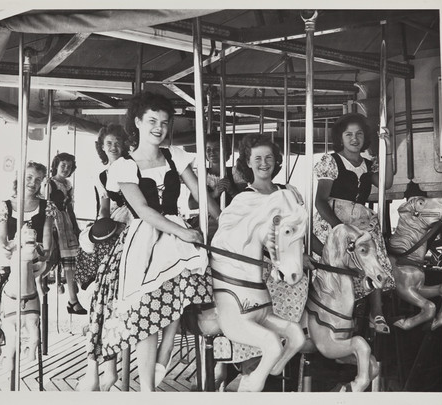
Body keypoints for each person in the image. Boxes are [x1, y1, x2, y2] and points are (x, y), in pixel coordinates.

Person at [83, 92, 221, 392]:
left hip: (176, 232)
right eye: (152, 121)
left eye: (164, 122)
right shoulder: (123, 165)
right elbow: (143, 210)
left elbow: (200, 193)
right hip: (144, 235)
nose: (159, 128)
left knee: (187, 284)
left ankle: (167, 350)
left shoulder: (177, 156)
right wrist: (181, 231)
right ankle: (146, 386)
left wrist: (222, 220)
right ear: (138, 122)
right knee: (147, 305)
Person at [210, 134, 319, 390]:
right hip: (258, 278)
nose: (264, 163)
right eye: (257, 158)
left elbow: (300, 231)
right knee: (261, 338)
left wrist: (308, 253)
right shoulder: (244, 199)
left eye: (269, 157)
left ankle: (281, 375)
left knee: (296, 332)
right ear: (247, 162)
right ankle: (248, 375)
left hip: (291, 274)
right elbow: (232, 239)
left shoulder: (288, 193)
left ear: (277, 160)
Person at [313, 112, 395, 334]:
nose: (354, 138)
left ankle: (376, 311)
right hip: (334, 219)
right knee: (333, 261)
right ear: (341, 138)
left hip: (360, 219)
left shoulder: (369, 164)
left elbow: (386, 183)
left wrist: (386, 148)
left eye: (359, 134)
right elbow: (320, 200)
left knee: (373, 256)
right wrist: (340, 228)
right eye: (348, 134)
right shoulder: (330, 161)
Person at [0, 161, 55, 355]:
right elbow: (2, 241)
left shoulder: (46, 206)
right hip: (10, 251)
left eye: (38, 179)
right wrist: (16, 244)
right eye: (29, 177)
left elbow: (47, 242)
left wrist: (39, 251)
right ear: (20, 179)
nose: (33, 182)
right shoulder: (6, 206)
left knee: (0, 274)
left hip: (34, 252)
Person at [76, 123, 132, 391]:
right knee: (88, 242)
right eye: (108, 143)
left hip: (134, 214)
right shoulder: (101, 175)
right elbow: (103, 204)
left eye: (116, 142)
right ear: (102, 147)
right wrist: (102, 221)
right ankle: (93, 285)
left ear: (124, 144)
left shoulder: (132, 166)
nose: (112, 147)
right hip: (115, 218)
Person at [49, 152, 86, 315]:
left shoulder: (68, 184)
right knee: (65, 260)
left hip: (66, 223)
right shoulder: (49, 183)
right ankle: (72, 298)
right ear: (56, 165)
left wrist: (76, 227)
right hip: (54, 223)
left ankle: (73, 295)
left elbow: (69, 207)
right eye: (63, 165)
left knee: (73, 260)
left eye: (69, 167)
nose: (65, 169)